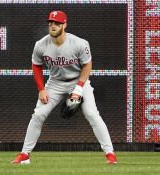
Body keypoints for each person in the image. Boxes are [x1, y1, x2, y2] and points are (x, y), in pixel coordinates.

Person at [10, 11, 116, 165]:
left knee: (92, 114)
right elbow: (36, 65)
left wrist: (79, 88)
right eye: (51, 23)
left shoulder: (79, 43)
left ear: (64, 25)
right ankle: (25, 155)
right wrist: (41, 89)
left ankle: (110, 154)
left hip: (79, 80)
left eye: (57, 23)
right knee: (38, 114)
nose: (53, 26)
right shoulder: (41, 45)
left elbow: (87, 66)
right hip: (55, 83)